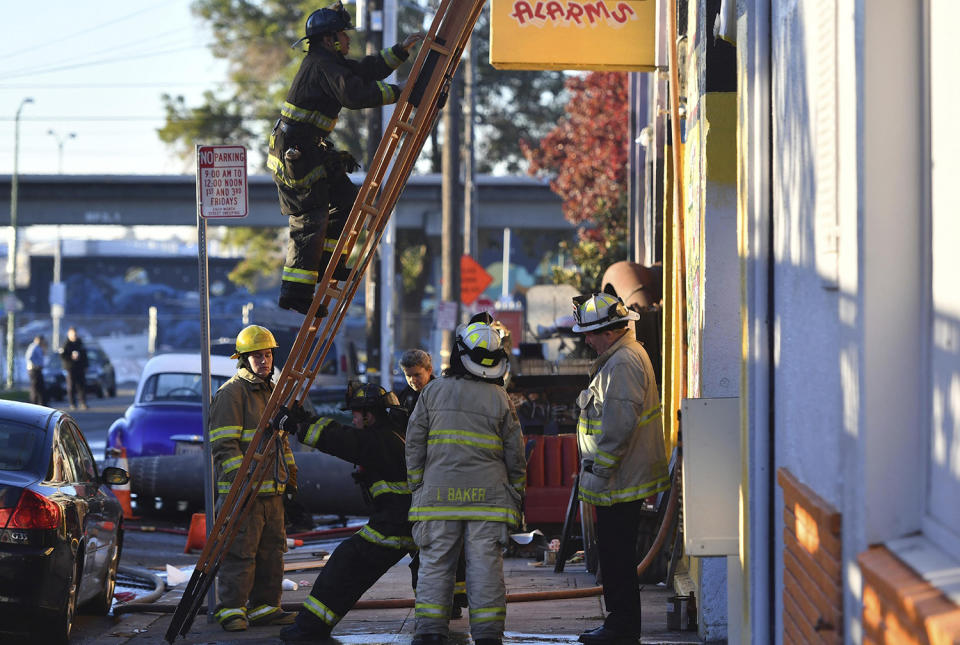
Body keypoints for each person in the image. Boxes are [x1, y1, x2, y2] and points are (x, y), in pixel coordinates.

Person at [271, 1, 424, 315]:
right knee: (310, 216)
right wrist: (399, 92)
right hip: (296, 151)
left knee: (346, 201)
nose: (349, 39)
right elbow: (354, 94)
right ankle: (296, 294)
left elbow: (364, 71)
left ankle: (330, 264)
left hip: (310, 147)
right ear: (329, 38)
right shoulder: (322, 65)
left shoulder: (329, 61)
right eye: (343, 33)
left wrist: (400, 50)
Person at [406, 313, 527, 645]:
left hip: (437, 500)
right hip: (488, 502)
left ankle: (430, 632)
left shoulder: (432, 393)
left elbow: (414, 443)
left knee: (434, 565)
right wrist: (517, 494)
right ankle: (488, 636)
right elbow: (515, 453)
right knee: (486, 569)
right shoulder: (500, 398)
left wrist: (417, 484)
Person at [272, 383, 414, 643]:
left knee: (345, 565)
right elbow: (348, 436)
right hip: (404, 523)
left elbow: (342, 439)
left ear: (370, 414)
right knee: (349, 570)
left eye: (356, 414)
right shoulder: (392, 435)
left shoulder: (380, 439)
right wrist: (306, 420)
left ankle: (308, 630)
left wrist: (300, 427)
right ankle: (310, 627)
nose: (354, 419)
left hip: (395, 526)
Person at [570, 292, 669, 645]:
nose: (586, 340)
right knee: (615, 552)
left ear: (609, 332)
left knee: (616, 554)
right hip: (617, 476)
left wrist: (599, 473)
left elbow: (618, 425)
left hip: (617, 479)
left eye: (591, 334)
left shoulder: (623, 363)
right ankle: (620, 622)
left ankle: (622, 626)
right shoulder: (621, 356)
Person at [209, 325, 298, 631]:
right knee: (240, 553)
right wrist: (242, 483)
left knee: (272, 552)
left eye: (268, 354)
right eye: (257, 356)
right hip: (243, 493)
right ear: (243, 360)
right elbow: (223, 446)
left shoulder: (272, 392)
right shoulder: (231, 394)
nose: (264, 361)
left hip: (271, 492)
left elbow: (280, 440)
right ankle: (232, 610)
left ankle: (265, 608)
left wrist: (291, 473)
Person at [397, 348, 468, 617]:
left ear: (429, 370)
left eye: (417, 375)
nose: (413, 380)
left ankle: (454, 601)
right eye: (408, 376)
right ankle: (439, 602)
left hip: (440, 478)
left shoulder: (440, 393)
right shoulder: (407, 397)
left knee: (447, 544)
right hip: (423, 480)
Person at [60, 327, 88, 410]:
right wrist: (71, 357)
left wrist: (85, 365)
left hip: (80, 368)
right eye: (73, 334)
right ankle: (72, 403)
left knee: (81, 386)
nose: (75, 336)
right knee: (71, 386)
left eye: (75, 334)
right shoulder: (66, 344)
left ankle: (83, 402)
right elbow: (62, 356)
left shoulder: (80, 343)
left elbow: (85, 354)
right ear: (69, 334)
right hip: (70, 368)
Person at [25, 335, 47, 406]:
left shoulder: (39, 347)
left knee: (40, 387)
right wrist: (35, 365)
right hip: (34, 370)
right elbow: (29, 357)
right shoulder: (33, 347)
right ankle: (33, 403)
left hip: (38, 370)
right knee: (35, 387)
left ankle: (41, 403)